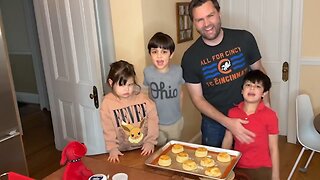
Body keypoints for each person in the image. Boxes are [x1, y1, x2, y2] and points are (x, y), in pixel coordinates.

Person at [181, 0, 270, 147]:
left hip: (249, 115)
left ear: (219, 13)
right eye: (200, 20)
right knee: (215, 167)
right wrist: (228, 122)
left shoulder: (244, 39)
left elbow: (260, 74)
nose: (207, 24)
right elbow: (198, 98)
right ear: (193, 22)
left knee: (248, 165)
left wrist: (266, 109)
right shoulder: (190, 57)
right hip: (214, 124)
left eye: (210, 15)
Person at [222, 70, 279, 180]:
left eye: (258, 86)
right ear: (242, 91)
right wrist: (223, 162)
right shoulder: (232, 112)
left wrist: (275, 175)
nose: (252, 88)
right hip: (238, 165)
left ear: (264, 93)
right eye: (248, 85)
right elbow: (228, 139)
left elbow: (274, 147)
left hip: (262, 167)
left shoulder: (270, 115)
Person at [100, 60, 159, 163]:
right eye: (122, 85)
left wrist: (150, 141)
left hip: (145, 149)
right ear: (111, 83)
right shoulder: (107, 103)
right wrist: (112, 148)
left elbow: (153, 120)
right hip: (122, 153)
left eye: (130, 85)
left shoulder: (143, 99)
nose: (126, 89)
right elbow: (108, 129)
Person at [144, 32, 185, 146]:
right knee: (158, 152)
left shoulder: (178, 70)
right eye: (155, 52)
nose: (159, 56)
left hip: (175, 121)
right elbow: (148, 95)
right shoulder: (147, 72)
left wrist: (180, 114)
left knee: (175, 150)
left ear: (171, 54)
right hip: (156, 122)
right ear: (150, 54)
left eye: (164, 52)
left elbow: (180, 93)